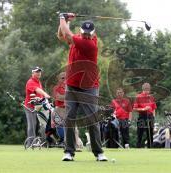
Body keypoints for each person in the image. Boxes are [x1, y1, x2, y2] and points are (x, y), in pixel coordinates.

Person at [58, 13, 108, 161]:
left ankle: (99, 153)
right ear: (81, 32)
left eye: (89, 34)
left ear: (93, 34)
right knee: (69, 118)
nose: (87, 36)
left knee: (92, 119)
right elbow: (61, 35)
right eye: (85, 34)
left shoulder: (90, 44)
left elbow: (66, 32)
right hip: (72, 86)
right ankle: (69, 152)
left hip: (89, 87)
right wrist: (64, 20)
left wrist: (62, 17)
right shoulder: (77, 39)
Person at [52, 72, 83, 150]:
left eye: (66, 78)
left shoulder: (70, 87)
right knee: (66, 129)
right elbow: (58, 97)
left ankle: (77, 145)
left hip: (69, 109)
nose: (64, 80)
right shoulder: (56, 88)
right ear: (58, 79)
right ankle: (68, 146)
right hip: (60, 109)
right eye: (62, 78)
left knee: (75, 128)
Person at [24, 66, 50, 146]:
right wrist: (45, 94)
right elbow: (37, 90)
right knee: (32, 125)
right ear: (33, 73)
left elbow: (39, 95)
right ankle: (30, 144)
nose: (38, 73)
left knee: (43, 124)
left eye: (39, 72)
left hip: (39, 106)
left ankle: (43, 142)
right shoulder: (31, 81)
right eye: (36, 72)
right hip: (30, 107)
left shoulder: (38, 82)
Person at [133, 83, 157, 148]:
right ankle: (138, 147)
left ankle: (150, 147)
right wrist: (143, 109)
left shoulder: (151, 97)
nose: (147, 92)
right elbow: (134, 108)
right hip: (142, 116)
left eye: (148, 90)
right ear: (143, 89)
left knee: (150, 133)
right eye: (145, 90)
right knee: (140, 133)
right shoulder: (138, 97)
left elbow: (154, 108)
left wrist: (153, 117)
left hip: (150, 116)